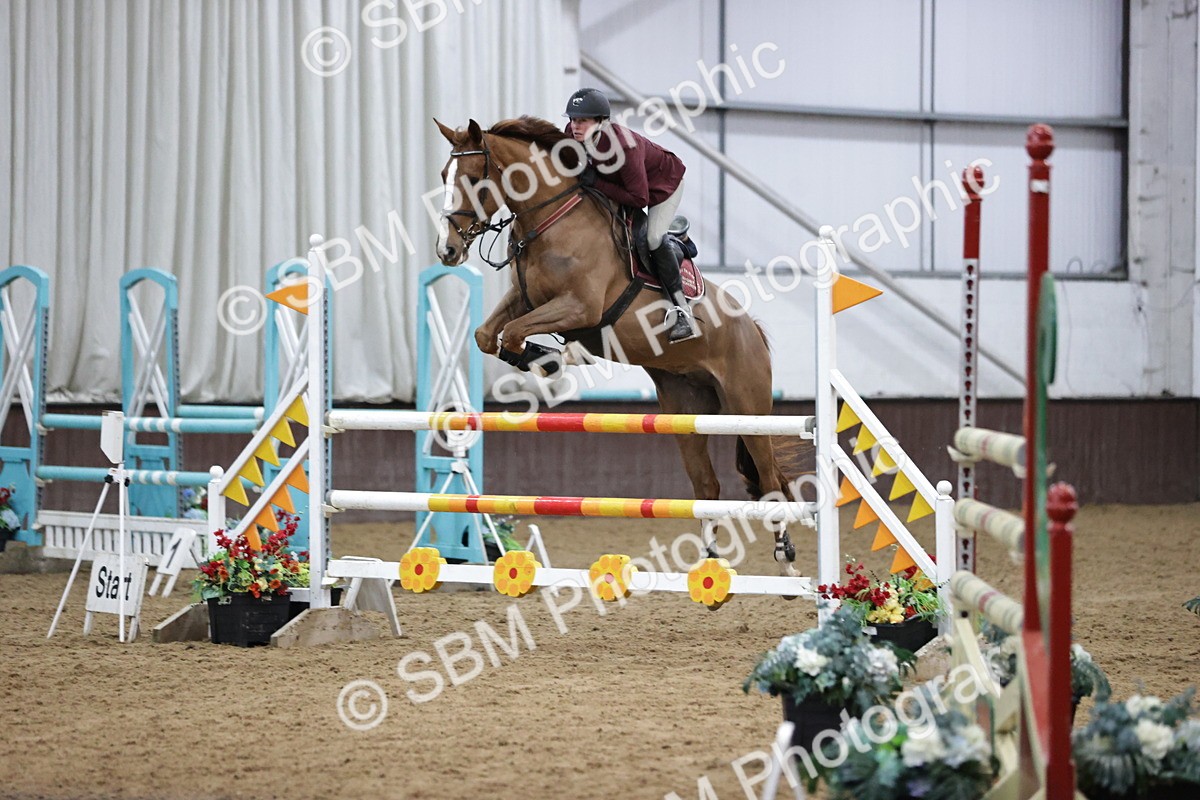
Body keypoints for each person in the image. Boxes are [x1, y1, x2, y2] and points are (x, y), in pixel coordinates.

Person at [563, 87, 697, 343]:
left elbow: (640, 198)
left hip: (662, 187)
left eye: (582, 120)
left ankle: (682, 310)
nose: (575, 125)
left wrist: (596, 183)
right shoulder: (572, 134)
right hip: (621, 184)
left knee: (654, 238)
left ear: (601, 122)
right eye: (572, 119)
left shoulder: (625, 146)